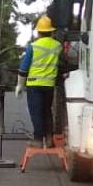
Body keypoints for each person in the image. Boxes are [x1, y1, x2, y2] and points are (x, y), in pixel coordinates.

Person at [16, 15, 62, 147]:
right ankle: (49, 138)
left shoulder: (33, 46)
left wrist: (20, 85)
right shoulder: (57, 46)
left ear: (39, 31)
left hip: (34, 85)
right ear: (51, 31)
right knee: (47, 111)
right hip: (49, 85)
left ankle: (37, 140)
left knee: (36, 111)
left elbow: (23, 69)